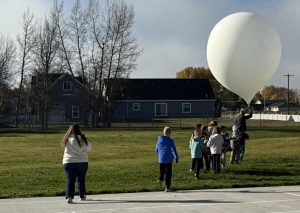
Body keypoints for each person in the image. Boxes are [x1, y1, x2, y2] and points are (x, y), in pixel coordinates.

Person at [61, 124, 91, 204]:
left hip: (69, 161)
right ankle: (82, 195)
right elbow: (89, 147)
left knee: (70, 180)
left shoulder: (66, 139)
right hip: (82, 161)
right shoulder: (83, 139)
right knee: (81, 179)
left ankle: (69, 197)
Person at [155, 127, 179, 192]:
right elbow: (173, 149)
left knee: (162, 170)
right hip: (168, 160)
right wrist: (176, 157)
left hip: (161, 159)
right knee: (168, 173)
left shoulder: (159, 140)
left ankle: (160, 179)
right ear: (170, 133)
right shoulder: (170, 141)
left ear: (163, 132)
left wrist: (160, 154)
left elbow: (156, 149)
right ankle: (167, 187)